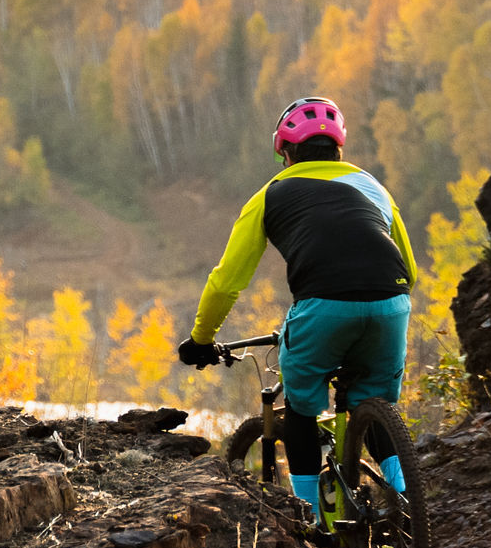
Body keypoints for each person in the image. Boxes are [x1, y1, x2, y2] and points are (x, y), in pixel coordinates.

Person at [179, 96, 417, 516]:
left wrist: (202, 338)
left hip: (322, 308)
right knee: (375, 400)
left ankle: (309, 521)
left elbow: (226, 282)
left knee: (304, 409)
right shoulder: (375, 188)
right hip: (392, 303)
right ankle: (410, 502)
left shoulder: (270, 194)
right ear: (338, 148)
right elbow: (410, 269)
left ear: (285, 153)